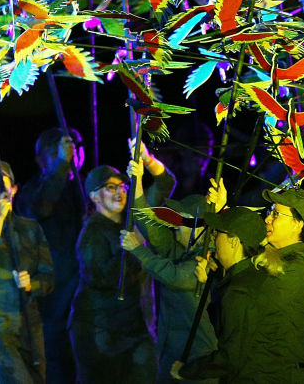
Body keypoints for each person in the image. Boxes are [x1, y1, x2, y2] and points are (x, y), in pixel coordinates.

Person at [68, 149, 173, 384]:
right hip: (99, 329)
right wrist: (134, 250)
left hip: (131, 327)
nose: (120, 192)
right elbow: (102, 278)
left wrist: (147, 161)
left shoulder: (132, 218)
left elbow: (165, 184)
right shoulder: (92, 233)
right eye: (111, 188)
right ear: (95, 196)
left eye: (123, 187)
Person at [120, 193, 217, 384]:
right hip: (171, 349)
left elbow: (176, 276)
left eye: (179, 221)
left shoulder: (209, 258)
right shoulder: (179, 249)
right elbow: (150, 228)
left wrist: (138, 249)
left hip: (198, 356)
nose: (174, 227)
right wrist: (138, 179)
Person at [13, 128, 84, 384]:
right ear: (41, 158)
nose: (69, 155)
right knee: (56, 351)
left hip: (85, 283)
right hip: (55, 286)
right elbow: (38, 209)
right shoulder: (32, 190)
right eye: (59, 151)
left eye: (73, 149)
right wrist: (61, 167)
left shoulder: (87, 189)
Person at [0, 160, 54, 384]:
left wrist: (32, 285)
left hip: (29, 327)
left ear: (14, 189)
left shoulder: (31, 228)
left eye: (0, 180)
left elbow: (48, 278)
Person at [170, 206, 271, 381]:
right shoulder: (253, 275)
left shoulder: (239, 291)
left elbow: (231, 357)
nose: (213, 239)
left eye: (218, 233)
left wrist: (186, 371)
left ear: (234, 241)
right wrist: (211, 281)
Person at [261, 187, 304, 378]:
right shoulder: (271, 255)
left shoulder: (299, 263)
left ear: (298, 224)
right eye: (269, 211)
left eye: (276, 214)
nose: (267, 218)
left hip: (288, 373)